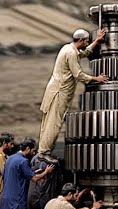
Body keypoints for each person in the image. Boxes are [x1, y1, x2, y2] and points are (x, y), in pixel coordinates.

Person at [38, 29, 109, 159]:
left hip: (56, 89)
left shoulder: (69, 48)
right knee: (54, 122)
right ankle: (43, 152)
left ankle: (43, 150)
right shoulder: (70, 53)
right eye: (86, 41)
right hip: (59, 92)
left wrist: (96, 41)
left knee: (49, 121)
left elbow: (83, 53)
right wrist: (96, 78)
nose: (87, 42)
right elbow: (78, 74)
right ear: (81, 40)